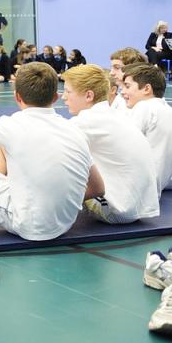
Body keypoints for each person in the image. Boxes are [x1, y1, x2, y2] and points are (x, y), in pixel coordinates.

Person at [0, 63, 100, 241]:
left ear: (17, 96)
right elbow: (98, 188)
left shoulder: (9, 125)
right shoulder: (74, 129)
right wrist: (59, 199)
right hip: (65, 223)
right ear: (55, 97)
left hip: (28, 225)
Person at [62, 65, 159, 225]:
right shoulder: (112, 115)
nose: (63, 97)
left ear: (88, 95)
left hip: (116, 210)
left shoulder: (87, 121)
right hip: (136, 205)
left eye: (68, 92)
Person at [120, 64, 172, 192]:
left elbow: (124, 146)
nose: (123, 92)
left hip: (156, 180)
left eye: (127, 86)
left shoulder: (144, 107)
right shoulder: (167, 110)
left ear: (147, 89)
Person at [108, 47, 145, 112]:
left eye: (117, 68)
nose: (111, 73)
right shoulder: (120, 96)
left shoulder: (139, 101)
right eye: (111, 68)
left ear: (133, 69)